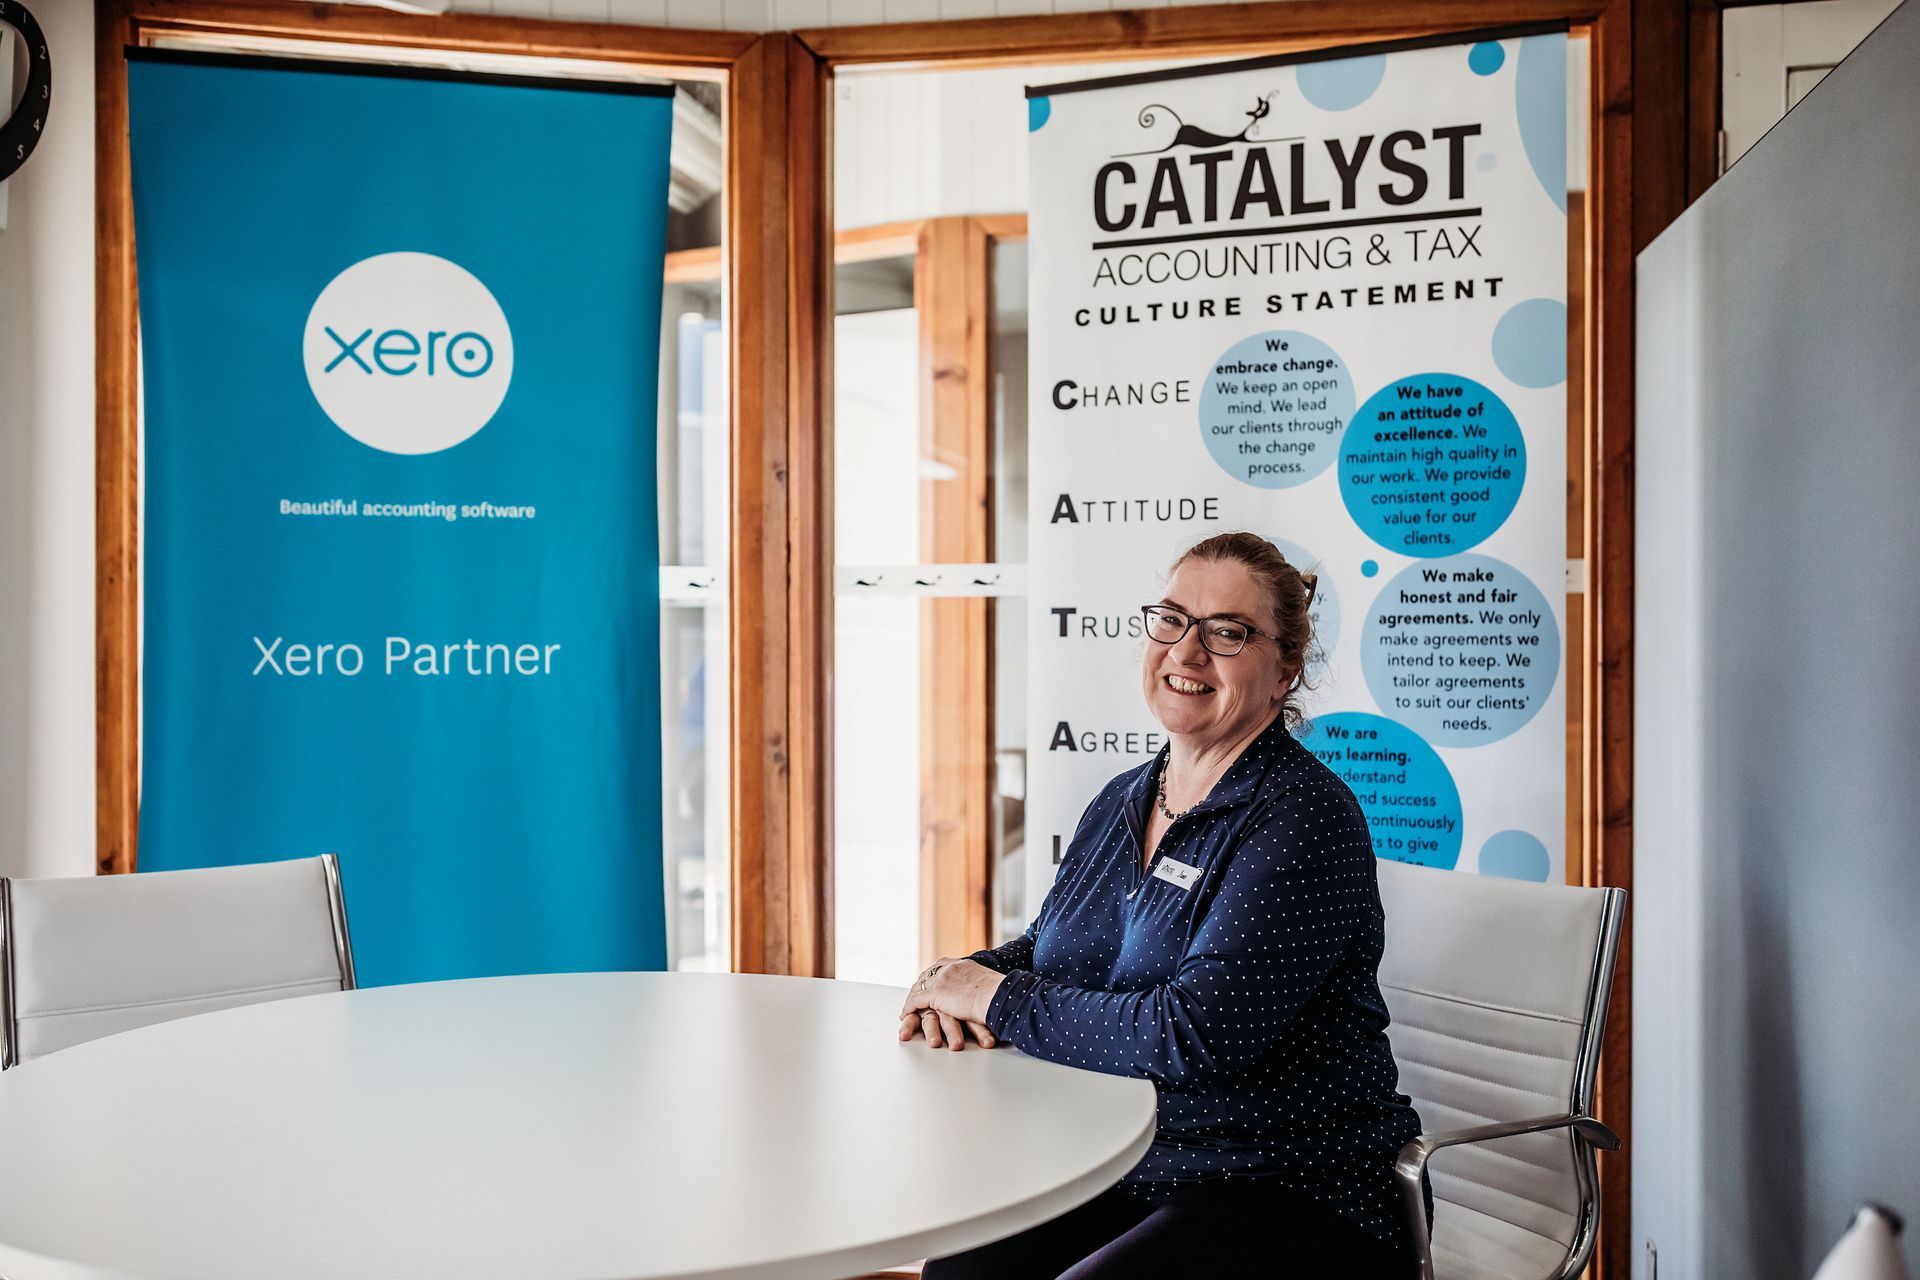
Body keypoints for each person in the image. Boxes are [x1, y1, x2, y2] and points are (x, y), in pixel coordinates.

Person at [900, 531, 1423, 1279]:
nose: (1187, 651)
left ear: (1284, 673)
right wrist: (958, 978)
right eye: (1172, 620)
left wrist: (998, 998)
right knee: (960, 1271)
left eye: (1228, 632)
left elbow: (1192, 1035)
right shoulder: (1124, 799)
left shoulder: (1303, 818)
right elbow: (1058, 948)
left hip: (1287, 1184)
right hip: (1132, 1161)